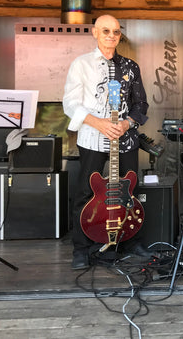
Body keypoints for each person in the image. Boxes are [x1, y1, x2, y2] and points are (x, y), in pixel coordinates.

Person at [63, 14, 150, 270]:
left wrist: (127, 123)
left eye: (115, 31)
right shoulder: (81, 64)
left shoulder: (131, 67)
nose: (111, 36)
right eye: (105, 31)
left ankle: (129, 242)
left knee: (128, 193)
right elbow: (70, 103)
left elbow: (141, 104)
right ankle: (81, 248)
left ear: (119, 35)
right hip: (92, 137)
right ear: (95, 33)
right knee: (85, 193)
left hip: (126, 139)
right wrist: (97, 122)